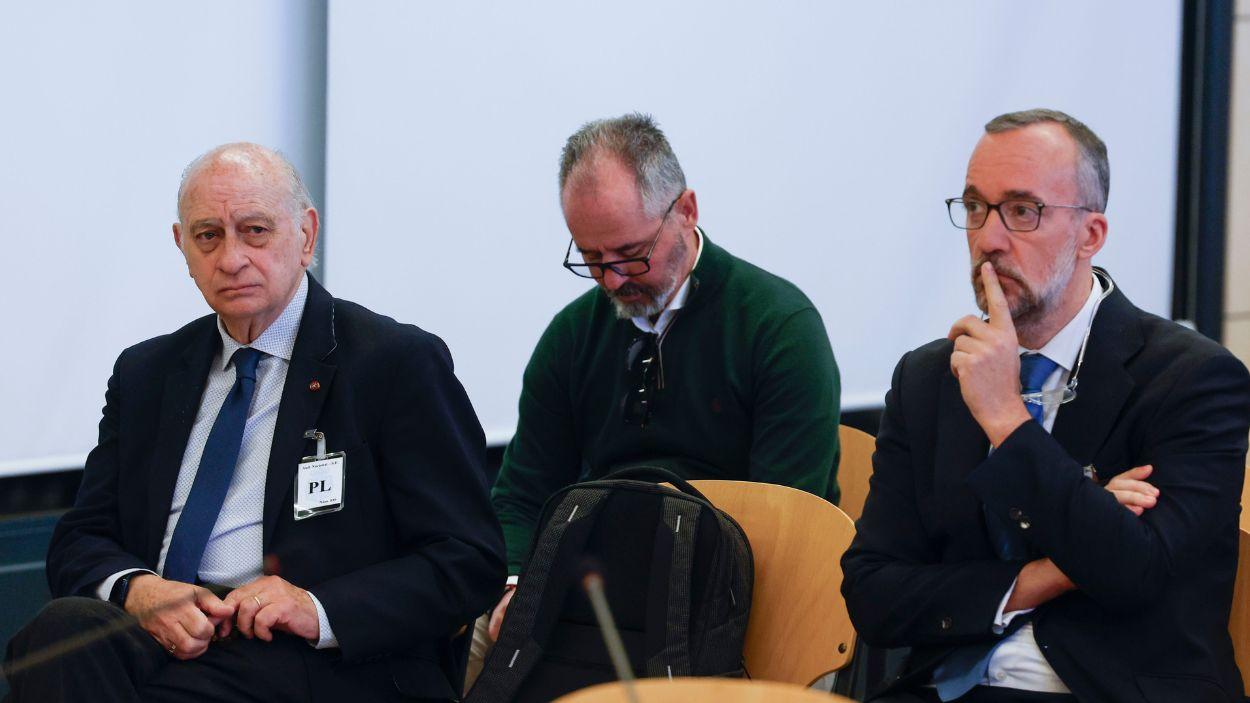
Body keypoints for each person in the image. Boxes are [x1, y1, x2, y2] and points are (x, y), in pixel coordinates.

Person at [2, 143, 505, 703]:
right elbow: (81, 538)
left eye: (255, 231)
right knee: (58, 636)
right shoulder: (147, 373)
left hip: (312, 659)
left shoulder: (392, 363)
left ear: (306, 236)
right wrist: (139, 591)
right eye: (208, 236)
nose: (231, 258)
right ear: (182, 246)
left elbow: (467, 560)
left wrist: (314, 607)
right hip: (170, 638)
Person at [841, 108, 1250, 703]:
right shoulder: (928, 377)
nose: (987, 239)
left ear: (1091, 235)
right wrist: (1055, 569)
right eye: (975, 207)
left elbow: (1140, 576)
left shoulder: (1192, 378)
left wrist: (1007, 419)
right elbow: (872, 595)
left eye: (1022, 211)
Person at [474, 113, 841, 674]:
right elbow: (523, 494)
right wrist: (515, 585)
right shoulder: (573, 335)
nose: (612, 280)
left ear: (686, 211)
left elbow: (787, 524)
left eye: (630, 253)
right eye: (591, 258)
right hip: (597, 596)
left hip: (737, 601)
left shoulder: (778, 328)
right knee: (463, 645)